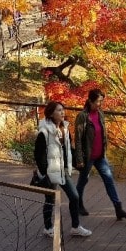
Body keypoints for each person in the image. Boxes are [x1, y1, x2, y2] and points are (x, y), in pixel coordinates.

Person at [34, 101, 92, 238]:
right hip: (50, 171)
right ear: (51, 113)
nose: (62, 112)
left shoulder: (65, 129)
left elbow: (68, 149)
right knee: (50, 199)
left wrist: (78, 162)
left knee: (74, 196)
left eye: (62, 109)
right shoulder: (44, 132)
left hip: (63, 170)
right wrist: (45, 173)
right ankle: (48, 228)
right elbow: (38, 155)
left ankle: (75, 227)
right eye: (59, 110)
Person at [74, 89, 126, 220]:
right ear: (90, 101)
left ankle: (118, 208)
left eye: (101, 101)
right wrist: (79, 159)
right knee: (83, 181)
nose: (100, 104)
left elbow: (102, 134)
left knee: (109, 179)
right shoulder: (82, 116)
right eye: (98, 101)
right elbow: (78, 139)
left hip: (100, 156)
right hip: (88, 156)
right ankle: (78, 204)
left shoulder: (100, 113)